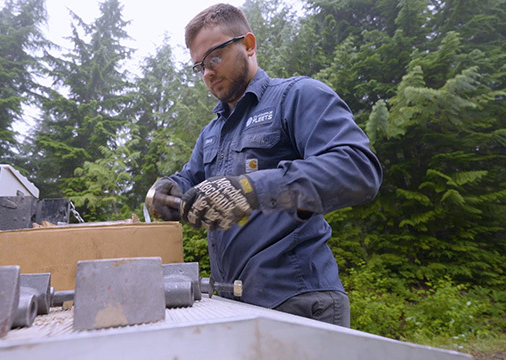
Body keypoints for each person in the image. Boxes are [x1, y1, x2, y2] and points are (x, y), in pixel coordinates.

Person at [146, 3, 382, 327]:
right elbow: (191, 178)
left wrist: (251, 190)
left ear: (249, 44)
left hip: (298, 302)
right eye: (199, 66)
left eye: (214, 57)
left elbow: (358, 169)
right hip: (231, 304)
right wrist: (171, 189)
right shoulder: (211, 132)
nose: (207, 73)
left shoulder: (297, 95)